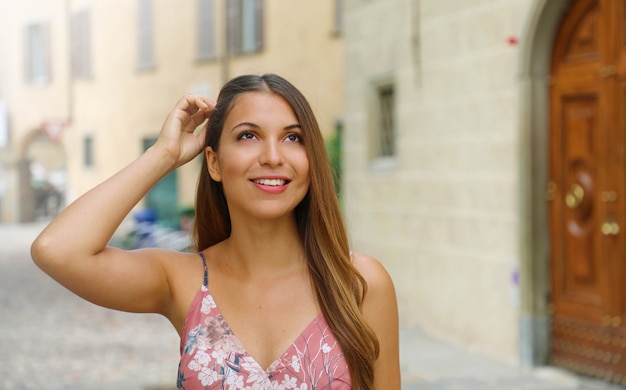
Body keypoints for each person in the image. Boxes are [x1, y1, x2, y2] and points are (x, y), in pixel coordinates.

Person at [31, 74, 400, 389]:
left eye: (293, 138)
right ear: (214, 162)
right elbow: (57, 250)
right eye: (248, 136)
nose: (273, 156)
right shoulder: (182, 280)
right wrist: (164, 154)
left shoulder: (358, 282)